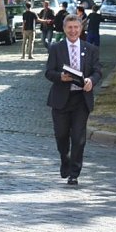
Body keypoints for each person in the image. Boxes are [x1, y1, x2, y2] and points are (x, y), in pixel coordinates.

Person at [45, 14, 103, 185]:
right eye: (69, 27)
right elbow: (48, 72)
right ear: (64, 29)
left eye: (76, 27)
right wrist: (60, 77)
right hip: (61, 99)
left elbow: (98, 70)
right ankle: (65, 158)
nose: (73, 31)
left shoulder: (90, 49)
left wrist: (91, 81)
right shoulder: (56, 48)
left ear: (81, 28)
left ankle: (74, 173)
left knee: (78, 138)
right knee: (62, 135)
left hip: (81, 99)